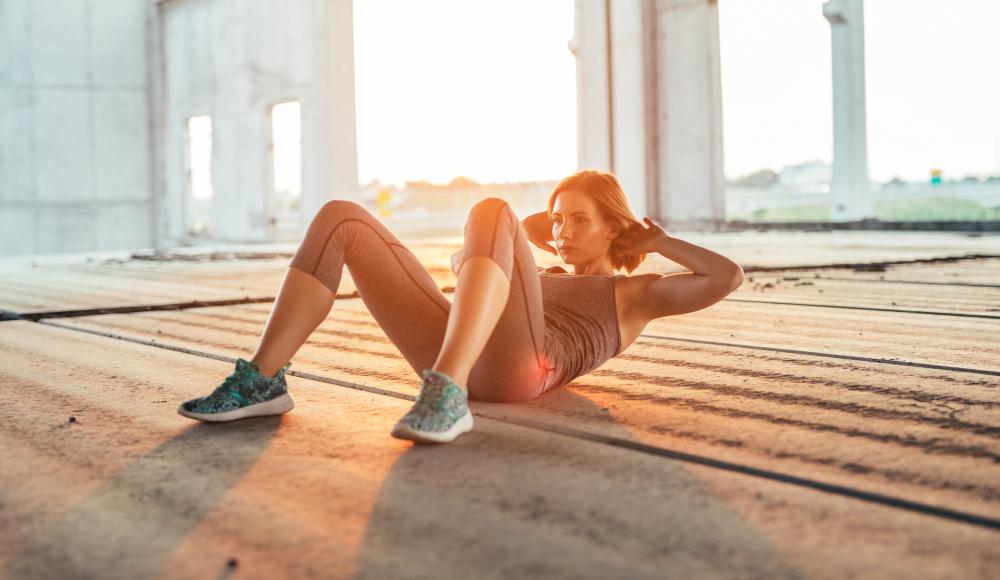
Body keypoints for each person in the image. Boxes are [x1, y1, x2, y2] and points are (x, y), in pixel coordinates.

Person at [176, 169, 744, 444]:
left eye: (580, 219)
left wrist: (655, 243)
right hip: (458, 346)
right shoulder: (538, 271)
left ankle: (446, 392)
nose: (564, 231)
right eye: (558, 217)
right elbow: (465, 261)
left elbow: (726, 277)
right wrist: (528, 236)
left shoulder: (635, 296)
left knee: (491, 208)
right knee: (340, 217)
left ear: (612, 227)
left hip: (522, 368)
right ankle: (262, 381)